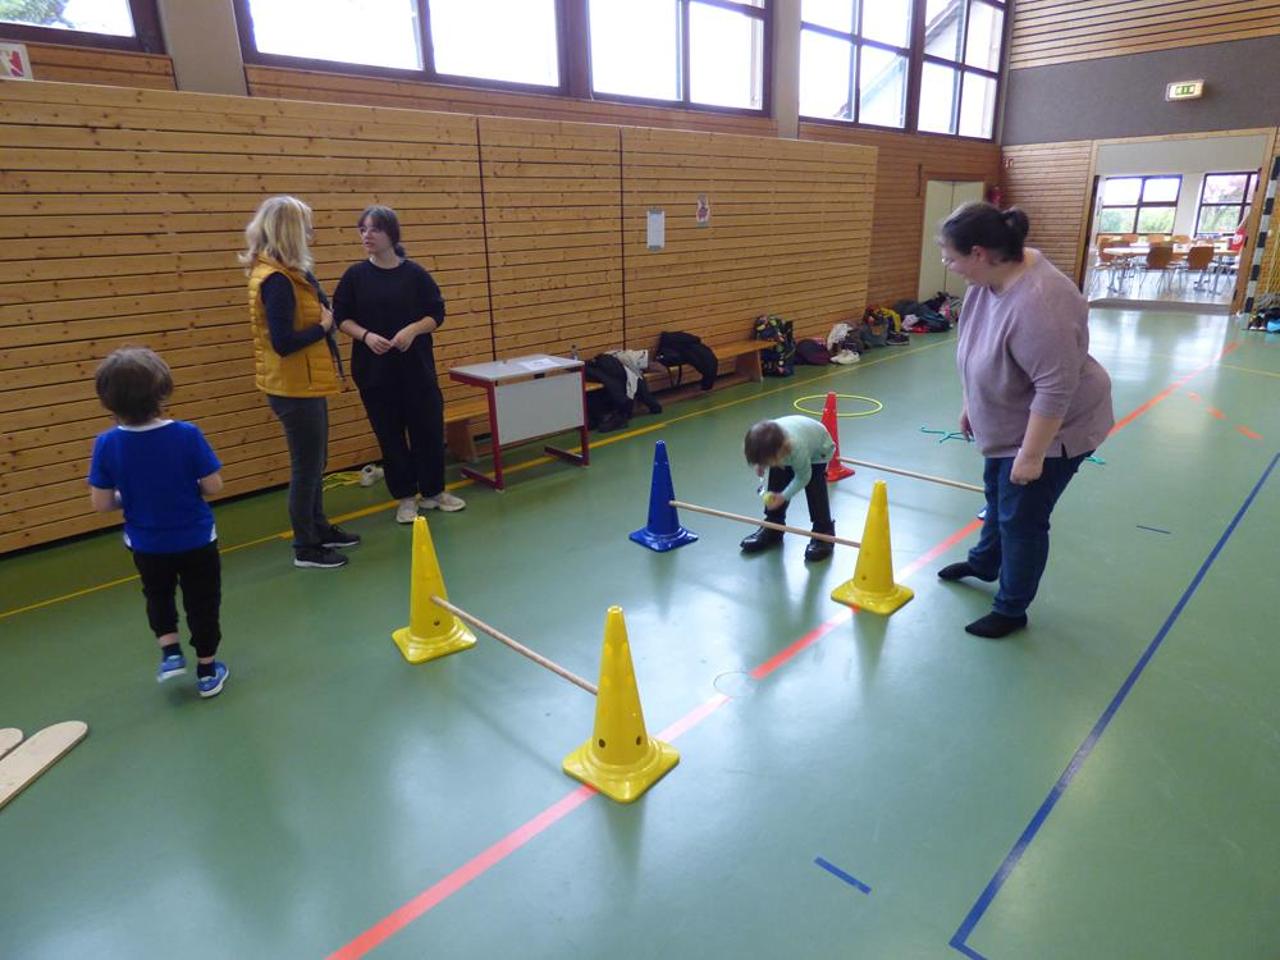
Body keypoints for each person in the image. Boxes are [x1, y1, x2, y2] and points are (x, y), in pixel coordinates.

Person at [936, 202, 1114, 638]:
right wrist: (971, 403)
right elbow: (974, 348)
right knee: (997, 496)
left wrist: (1032, 456)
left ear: (979, 253)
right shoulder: (986, 280)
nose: (946, 264)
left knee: (1021, 518)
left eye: (950, 257)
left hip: (1056, 429)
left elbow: (1055, 389)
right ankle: (985, 562)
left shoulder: (1043, 304)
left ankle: (1012, 608)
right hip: (1011, 420)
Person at [88, 348, 229, 698]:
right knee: (203, 601)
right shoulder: (187, 434)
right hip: (196, 538)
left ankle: (170, 653)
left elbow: (102, 503)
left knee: (157, 594)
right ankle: (207, 670)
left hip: (147, 543)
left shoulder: (106, 443)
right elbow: (213, 486)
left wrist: (132, 496)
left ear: (107, 400)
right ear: (162, 390)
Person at [242, 195, 361, 568]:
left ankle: (318, 527)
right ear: (290, 231)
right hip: (293, 388)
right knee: (306, 467)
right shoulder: (277, 280)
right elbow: (283, 342)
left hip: (305, 383)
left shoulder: (290, 272)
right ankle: (306, 547)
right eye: (306, 227)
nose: (312, 233)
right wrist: (322, 327)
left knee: (316, 460)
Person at [333, 205, 465, 524]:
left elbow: (436, 313)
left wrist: (413, 330)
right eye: (362, 229)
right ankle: (406, 497)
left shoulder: (415, 274)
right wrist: (366, 336)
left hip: (416, 370)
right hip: (375, 374)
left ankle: (434, 491)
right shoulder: (355, 277)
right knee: (390, 435)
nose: (367, 235)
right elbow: (341, 317)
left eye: (374, 229)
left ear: (391, 234)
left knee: (428, 430)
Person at [739, 416, 837, 562]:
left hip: (819, 447)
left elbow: (803, 477)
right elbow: (763, 450)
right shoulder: (767, 441)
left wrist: (783, 496)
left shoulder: (797, 448)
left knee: (815, 485)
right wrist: (761, 464)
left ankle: (824, 532)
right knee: (778, 476)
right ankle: (773, 526)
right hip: (795, 439)